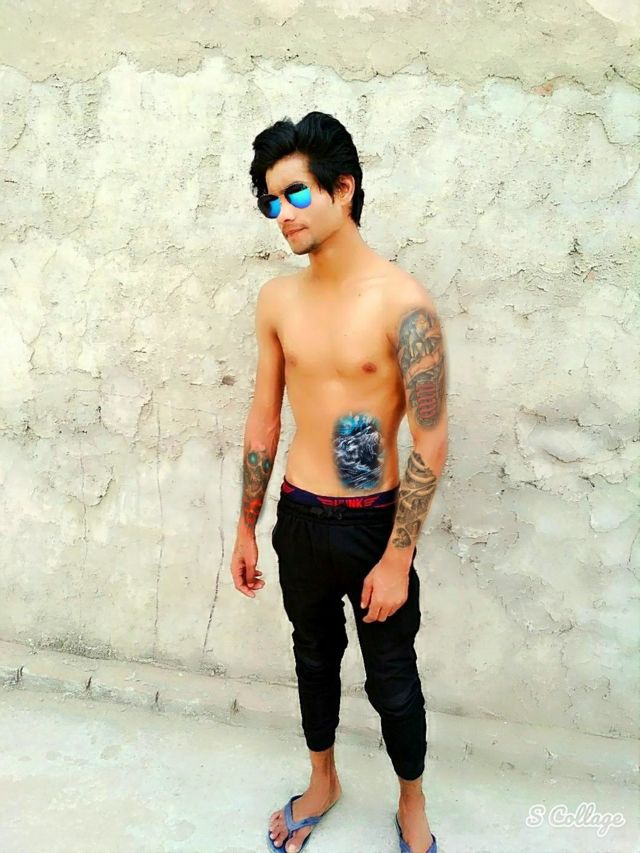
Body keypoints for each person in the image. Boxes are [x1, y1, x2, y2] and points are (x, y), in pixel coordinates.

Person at [230, 111, 448, 853]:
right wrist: (246, 525)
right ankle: (322, 780)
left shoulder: (402, 301)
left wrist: (398, 555)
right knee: (313, 658)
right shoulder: (278, 299)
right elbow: (264, 418)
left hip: (372, 521)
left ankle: (412, 801)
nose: (281, 214)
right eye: (270, 200)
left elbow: (430, 435)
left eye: (295, 193)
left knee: (393, 677)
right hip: (300, 513)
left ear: (343, 188)